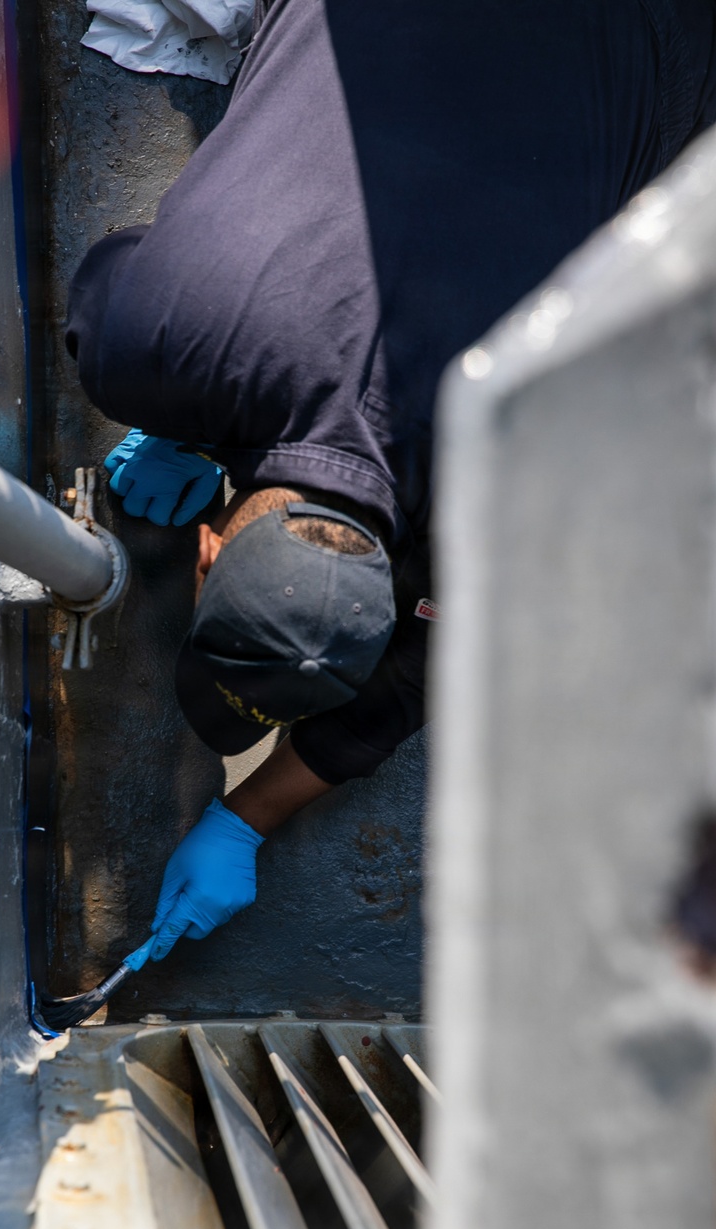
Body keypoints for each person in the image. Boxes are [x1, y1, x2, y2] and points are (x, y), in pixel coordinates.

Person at [65, 0, 716, 964]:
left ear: (206, 549)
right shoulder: (147, 348)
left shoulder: (523, 456)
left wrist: (248, 818)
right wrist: (178, 413)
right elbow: (116, 262)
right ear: (209, 551)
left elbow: (428, 667)